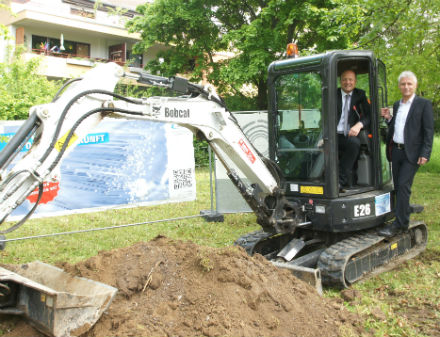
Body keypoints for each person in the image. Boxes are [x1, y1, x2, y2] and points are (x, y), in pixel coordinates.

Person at [378, 71, 434, 237]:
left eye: (409, 84)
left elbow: (428, 130)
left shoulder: (423, 104)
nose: (406, 86)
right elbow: (397, 126)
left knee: (403, 185)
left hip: (413, 153)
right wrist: (388, 119)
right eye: (403, 84)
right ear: (399, 86)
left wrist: (425, 152)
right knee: (398, 186)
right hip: (396, 151)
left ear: (415, 85)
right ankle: (403, 210)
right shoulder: (396, 105)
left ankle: (400, 224)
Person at [337, 70, 371, 189]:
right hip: (333, 135)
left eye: (350, 79)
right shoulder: (332, 94)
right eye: (345, 79)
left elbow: (369, 116)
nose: (348, 82)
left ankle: (339, 180)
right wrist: (323, 136)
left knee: (354, 143)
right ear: (340, 81)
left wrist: (359, 125)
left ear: (355, 82)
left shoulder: (360, 94)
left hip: (349, 135)